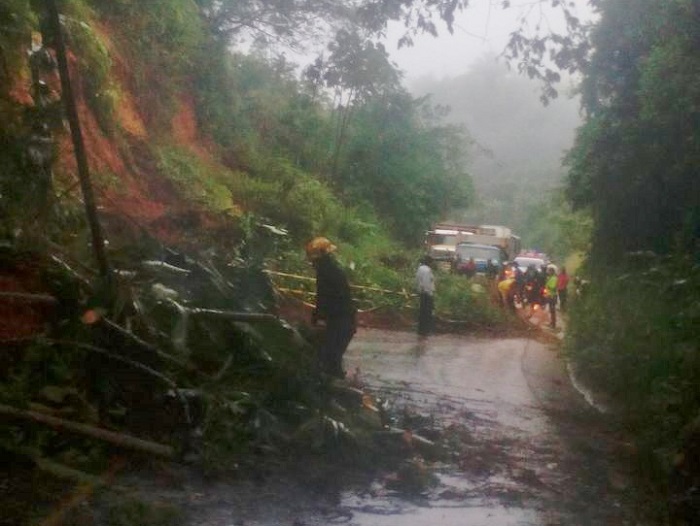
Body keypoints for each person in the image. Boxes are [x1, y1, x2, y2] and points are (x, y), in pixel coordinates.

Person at [306, 237, 357, 379]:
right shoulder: (333, 269)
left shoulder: (325, 272)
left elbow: (324, 297)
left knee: (331, 355)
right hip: (344, 318)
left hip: (338, 318)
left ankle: (331, 385)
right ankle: (334, 379)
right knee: (333, 355)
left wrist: (319, 318)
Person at [415, 255, 435, 337]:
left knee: (422, 312)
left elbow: (417, 280)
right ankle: (425, 331)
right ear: (429, 262)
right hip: (427, 293)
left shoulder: (420, 268)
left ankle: (420, 330)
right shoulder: (427, 270)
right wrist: (429, 292)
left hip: (421, 292)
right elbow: (427, 283)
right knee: (427, 313)